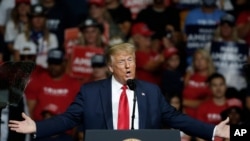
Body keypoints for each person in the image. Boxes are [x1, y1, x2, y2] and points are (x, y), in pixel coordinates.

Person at [8, 43, 229, 141]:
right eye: (121, 61)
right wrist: (37, 126)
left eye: (130, 60)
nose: (127, 65)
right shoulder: (91, 92)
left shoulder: (150, 91)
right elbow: (69, 119)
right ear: (110, 67)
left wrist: (213, 131)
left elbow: (175, 118)